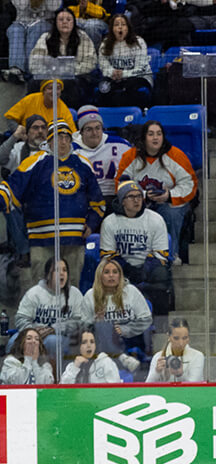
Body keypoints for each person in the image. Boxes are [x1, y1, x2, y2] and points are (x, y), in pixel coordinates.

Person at [2, 121, 104, 292]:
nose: (62, 141)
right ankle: (42, 319)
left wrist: (92, 223)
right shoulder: (34, 162)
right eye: (58, 137)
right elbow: (12, 187)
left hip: (73, 238)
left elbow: (98, 202)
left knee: (72, 289)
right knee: (41, 289)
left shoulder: (83, 163)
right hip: (42, 238)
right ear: (49, 140)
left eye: (66, 137)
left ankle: (71, 318)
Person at [116, 120, 200, 263]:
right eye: (151, 134)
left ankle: (170, 255)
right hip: (139, 202)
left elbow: (190, 184)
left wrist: (169, 196)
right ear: (144, 137)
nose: (156, 138)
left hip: (169, 203)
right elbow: (120, 184)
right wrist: (142, 196)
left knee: (170, 213)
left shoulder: (176, 155)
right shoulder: (130, 156)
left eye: (159, 134)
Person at [100, 180, 174, 315]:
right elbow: (107, 256)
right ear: (122, 201)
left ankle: (159, 320)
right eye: (131, 196)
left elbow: (161, 255)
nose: (136, 200)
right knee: (108, 271)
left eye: (139, 196)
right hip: (121, 268)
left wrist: (144, 270)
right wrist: (127, 269)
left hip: (148, 269)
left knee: (161, 273)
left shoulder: (155, 219)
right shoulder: (110, 221)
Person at [76, 256, 154, 373]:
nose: (111, 275)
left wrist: (125, 329)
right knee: (103, 325)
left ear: (120, 275)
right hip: (100, 343)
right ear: (100, 276)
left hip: (129, 338)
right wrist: (95, 322)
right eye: (106, 272)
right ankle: (121, 357)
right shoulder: (90, 296)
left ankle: (120, 357)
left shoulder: (131, 291)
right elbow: (82, 327)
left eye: (115, 272)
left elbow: (146, 319)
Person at [13, 257, 84, 356]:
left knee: (52, 341)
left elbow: (80, 322)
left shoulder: (75, 294)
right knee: (13, 341)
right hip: (34, 334)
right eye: (57, 270)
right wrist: (33, 332)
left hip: (62, 337)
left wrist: (55, 329)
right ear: (47, 275)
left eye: (65, 270)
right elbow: (21, 318)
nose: (62, 273)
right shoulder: (34, 293)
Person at [4, 0, 59, 82]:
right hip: (21, 22)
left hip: (44, 22)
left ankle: (30, 70)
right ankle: (16, 69)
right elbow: (21, 4)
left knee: (37, 28)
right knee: (14, 30)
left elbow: (54, 6)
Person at [28, 8, 96, 108]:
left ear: (74, 22)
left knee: (71, 83)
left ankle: (70, 113)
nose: (65, 22)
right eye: (61, 20)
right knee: (33, 83)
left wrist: (67, 72)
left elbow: (90, 62)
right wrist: (49, 73)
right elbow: (34, 62)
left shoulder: (83, 37)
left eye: (68, 20)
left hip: (76, 76)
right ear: (55, 23)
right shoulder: (46, 38)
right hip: (50, 75)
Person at [73, 107, 131, 208]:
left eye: (97, 128)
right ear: (81, 132)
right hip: (85, 199)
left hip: (115, 197)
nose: (94, 133)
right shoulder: (72, 150)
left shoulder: (121, 144)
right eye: (89, 129)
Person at [96, 14, 154, 107]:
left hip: (139, 77)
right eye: (116, 25)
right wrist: (112, 72)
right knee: (104, 88)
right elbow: (103, 65)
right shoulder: (105, 43)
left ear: (128, 28)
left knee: (131, 88)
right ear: (112, 29)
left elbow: (141, 67)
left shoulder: (139, 42)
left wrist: (123, 74)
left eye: (123, 24)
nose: (120, 27)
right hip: (114, 78)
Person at [146, 316, 205, 382]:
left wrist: (180, 375)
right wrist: (156, 372)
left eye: (185, 338)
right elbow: (147, 388)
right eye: (176, 338)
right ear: (169, 336)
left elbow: (193, 387)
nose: (181, 343)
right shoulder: (158, 357)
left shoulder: (197, 356)